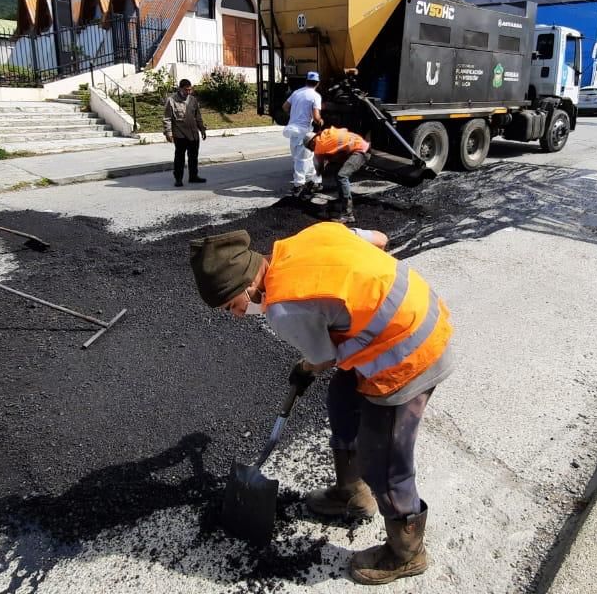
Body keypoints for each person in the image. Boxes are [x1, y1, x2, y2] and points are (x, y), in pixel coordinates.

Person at [189, 223, 453, 585]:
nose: (235, 315)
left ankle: (406, 553)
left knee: (384, 458)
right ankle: (351, 494)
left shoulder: (283, 309)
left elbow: (323, 358)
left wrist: (304, 366)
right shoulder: (303, 241)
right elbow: (379, 240)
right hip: (412, 313)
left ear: (248, 286)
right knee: (342, 400)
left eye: (231, 305)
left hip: (410, 351)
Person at [303, 127, 371, 224]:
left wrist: (312, 183)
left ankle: (348, 215)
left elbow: (320, 167)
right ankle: (342, 200)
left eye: (311, 148)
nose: (312, 150)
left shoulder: (318, 144)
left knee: (341, 176)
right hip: (356, 148)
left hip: (361, 151)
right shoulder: (325, 136)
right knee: (335, 169)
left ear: (312, 142)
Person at [282, 72, 324, 195]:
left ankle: (314, 181)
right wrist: (321, 121)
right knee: (302, 159)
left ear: (306, 81)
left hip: (293, 129)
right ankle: (299, 185)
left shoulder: (296, 93)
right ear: (318, 83)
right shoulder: (315, 96)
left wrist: (295, 115)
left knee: (306, 157)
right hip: (304, 131)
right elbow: (316, 118)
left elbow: (285, 107)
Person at [163, 79, 207, 187]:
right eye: (186, 90)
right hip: (180, 134)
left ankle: (193, 176)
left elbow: (198, 117)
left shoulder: (193, 100)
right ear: (180, 88)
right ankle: (178, 179)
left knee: (193, 157)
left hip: (193, 134)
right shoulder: (171, 100)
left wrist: (202, 129)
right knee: (179, 158)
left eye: (190, 90)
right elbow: (167, 118)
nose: (188, 92)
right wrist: (168, 133)